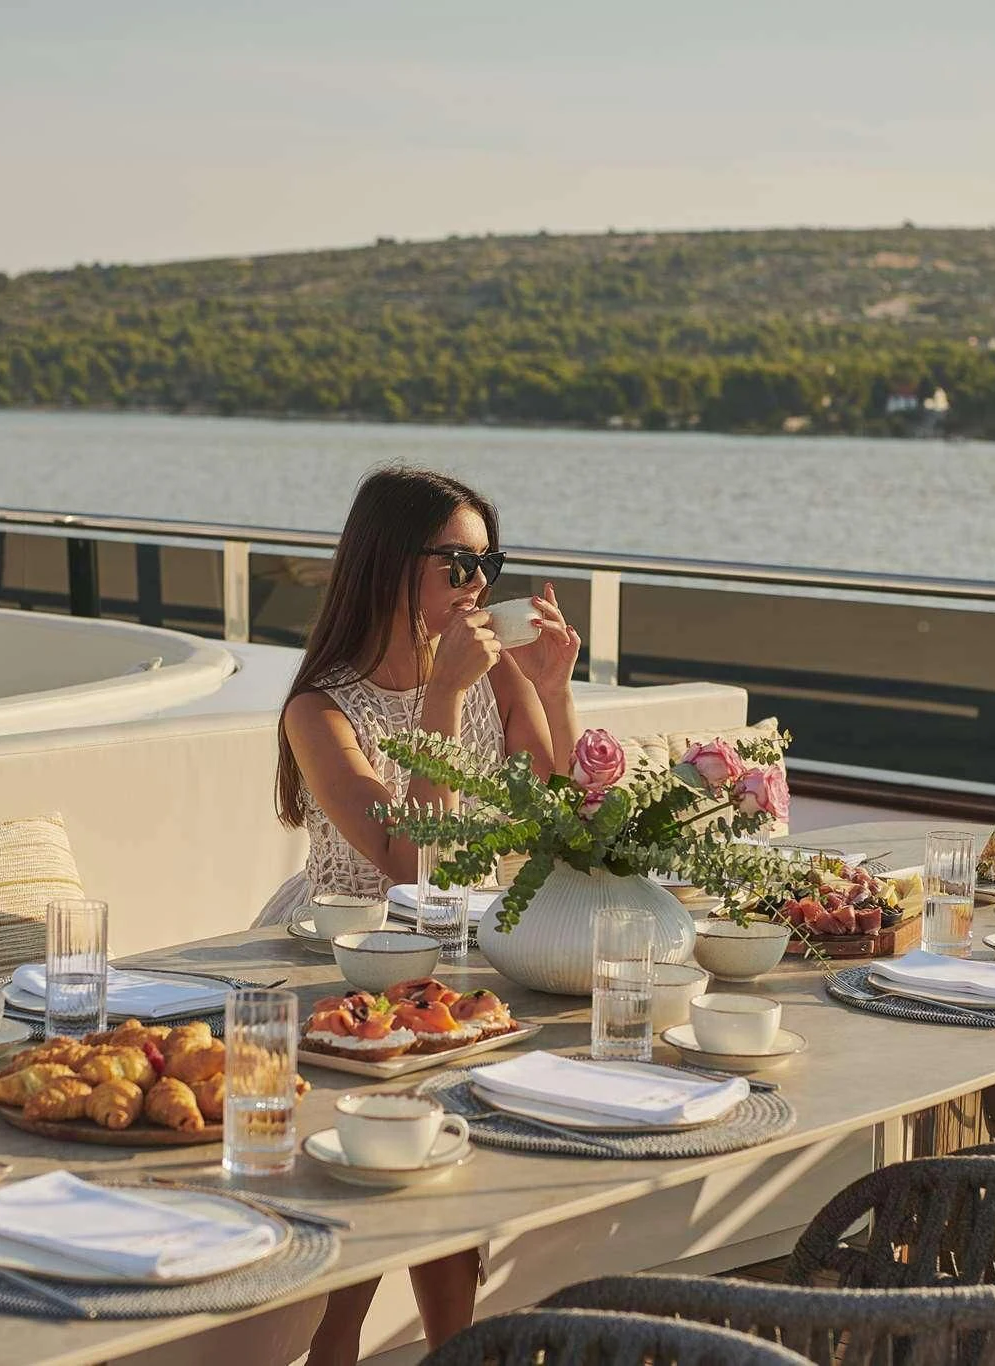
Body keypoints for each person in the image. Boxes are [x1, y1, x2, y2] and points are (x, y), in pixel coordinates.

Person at [262, 466, 582, 1363]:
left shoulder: (497, 678)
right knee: (394, 1143)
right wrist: (443, 699)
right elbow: (412, 866)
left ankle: (455, 1348)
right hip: (338, 964)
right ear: (391, 563)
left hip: (458, 952)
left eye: (489, 564)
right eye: (458, 564)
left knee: (438, 1145)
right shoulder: (320, 710)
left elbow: (562, 823)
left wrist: (552, 686)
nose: (480, 586)